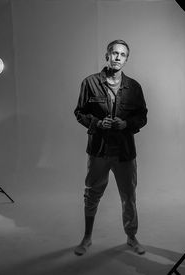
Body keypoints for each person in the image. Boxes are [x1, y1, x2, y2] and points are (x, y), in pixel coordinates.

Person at [74, 39, 148, 256]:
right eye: (114, 53)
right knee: (92, 194)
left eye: (122, 54)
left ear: (126, 59)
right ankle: (87, 237)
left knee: (129, 196)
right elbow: (79, 112)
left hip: (125, 152)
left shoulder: (134, 87)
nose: (117, 57)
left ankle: (131, 237)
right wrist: (97, 123)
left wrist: (126, 124)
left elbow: (142, 116)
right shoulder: (89, 83)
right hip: (98, 150)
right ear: (107, 56)